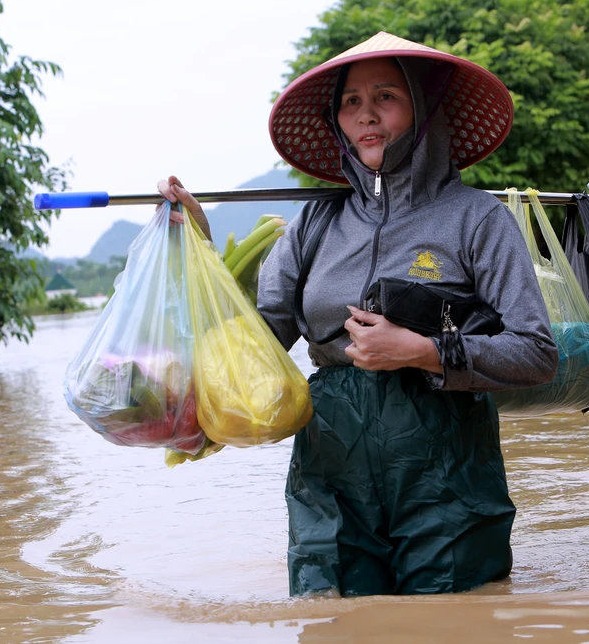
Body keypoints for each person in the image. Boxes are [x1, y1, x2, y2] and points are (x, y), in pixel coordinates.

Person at [158, 32, 557, 597]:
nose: (366, 115)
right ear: (338, 121)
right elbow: (255, 344)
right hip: (332, 465)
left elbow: (538, 353)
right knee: (334, 619)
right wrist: (196, 240)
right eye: (351, 102)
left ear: (423, 109)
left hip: (445, 474)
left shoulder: (476, 219)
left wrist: (423, 350)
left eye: (386, 97)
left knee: (453, 625)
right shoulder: (315, 228)